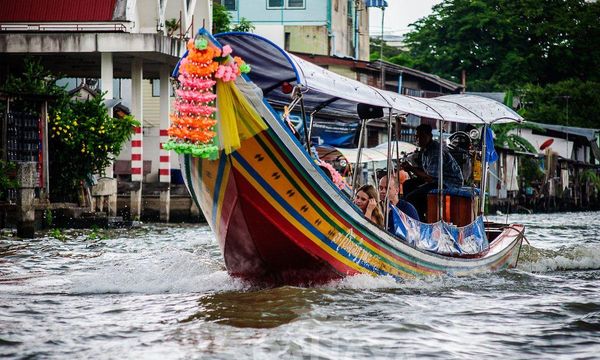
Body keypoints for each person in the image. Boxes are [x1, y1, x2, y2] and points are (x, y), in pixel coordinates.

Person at [400, 124, 464, 219]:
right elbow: (425, 172)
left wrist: (411, 168)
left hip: (448, 182)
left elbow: (429, 178)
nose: (418, 139)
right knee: (407, 184)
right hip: (435, 180)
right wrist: (410, 168)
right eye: (417, 136)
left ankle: (419, 221)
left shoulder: (435, 151)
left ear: (429, 136)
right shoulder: (425, 151)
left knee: (412, 197)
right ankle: (415, 215)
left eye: (421, 136)